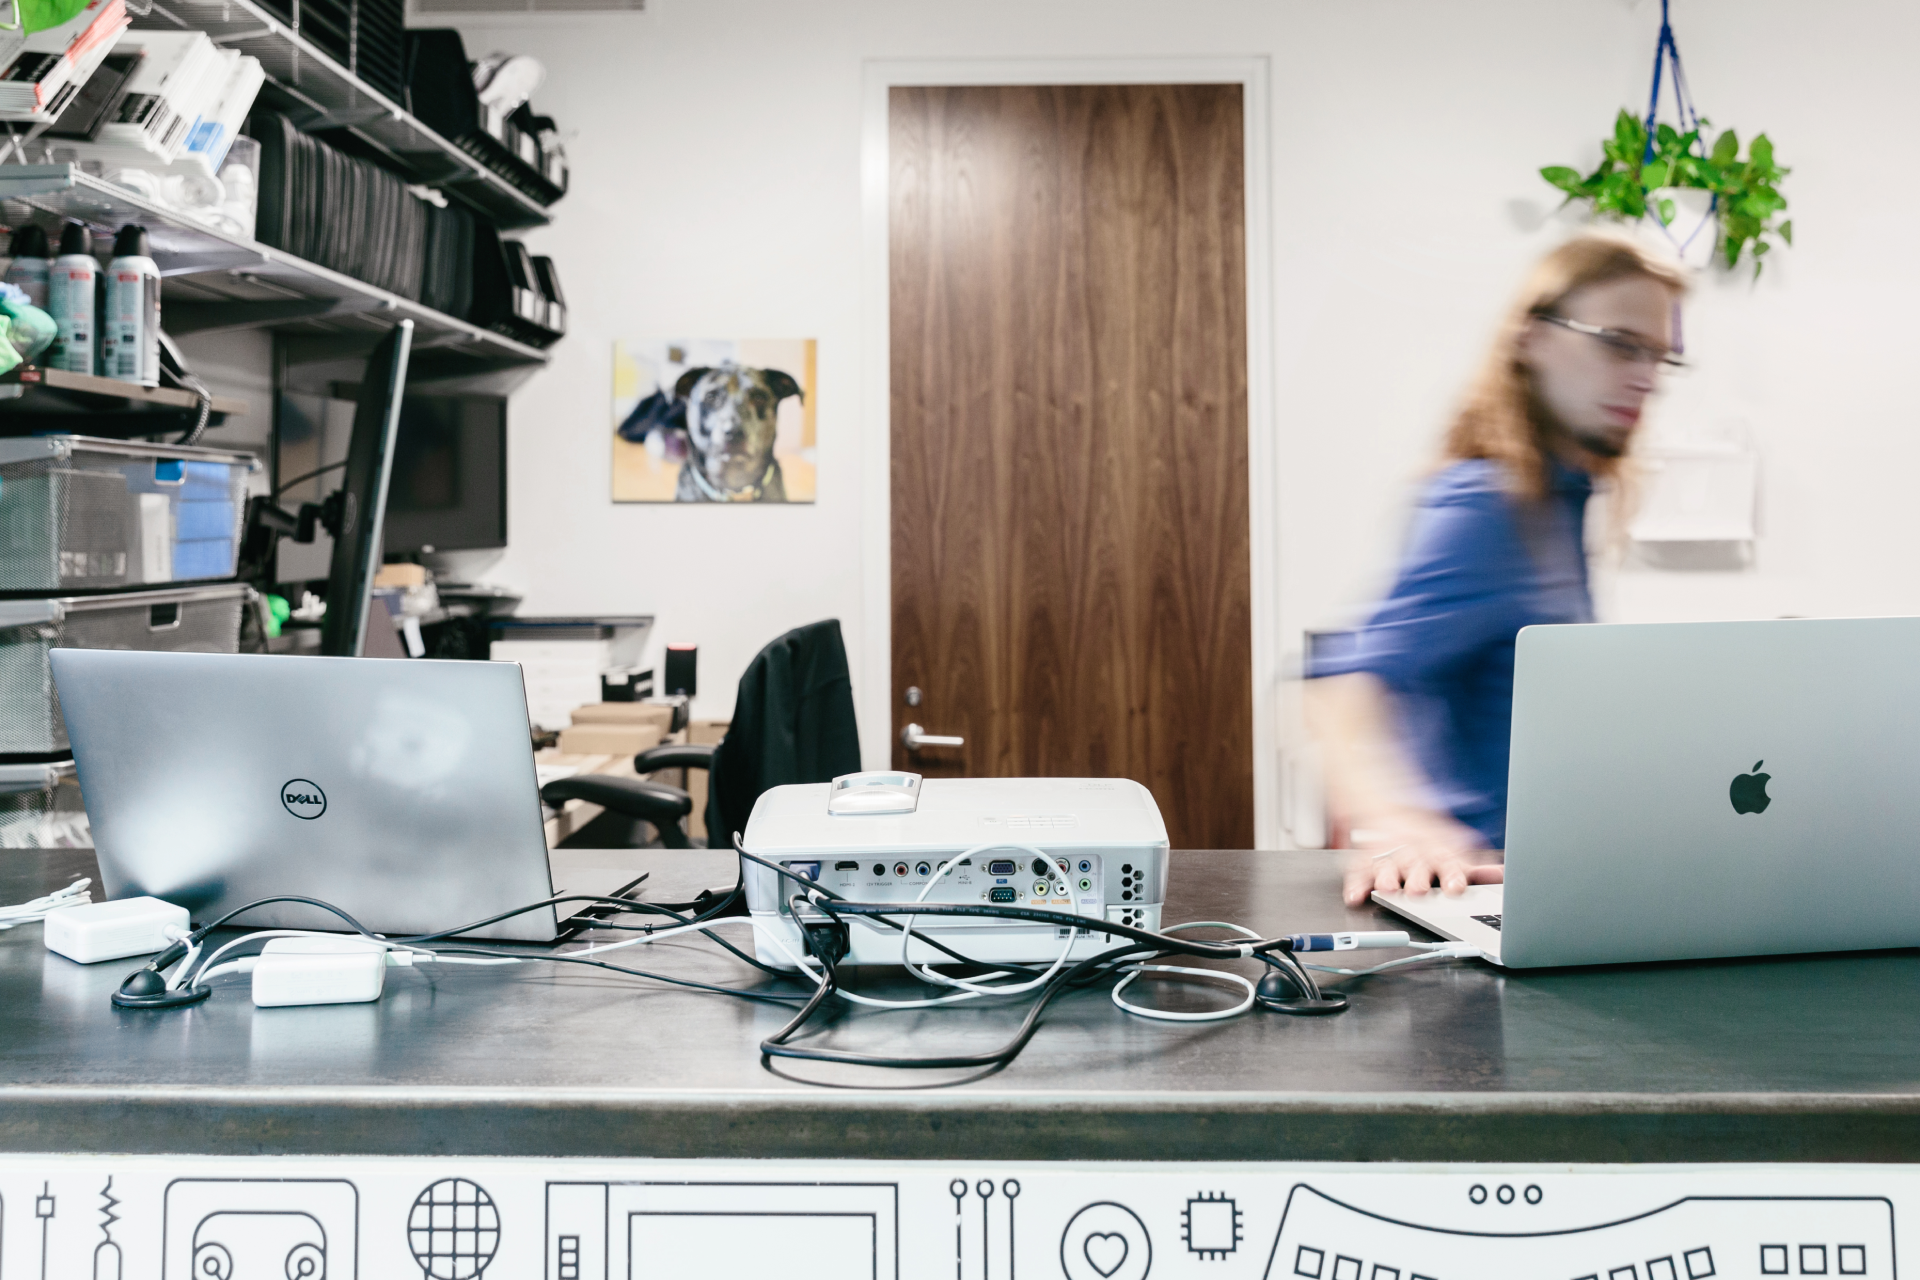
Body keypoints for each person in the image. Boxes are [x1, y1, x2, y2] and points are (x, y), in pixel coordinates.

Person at [1307, 232, 1688, 908]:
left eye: (1660, 356)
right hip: (1473, 899)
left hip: (1534, 891)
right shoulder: (1489, 501)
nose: (1645, 377)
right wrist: (1397, 821)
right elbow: (1340, 684)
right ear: (1533, 337)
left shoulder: (1563, 497)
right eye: (1619, 343)